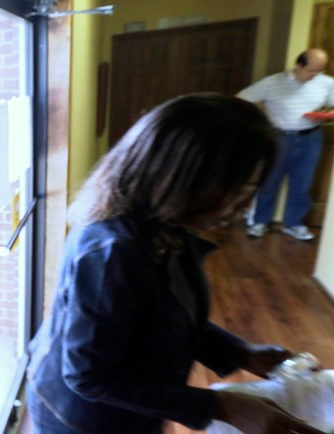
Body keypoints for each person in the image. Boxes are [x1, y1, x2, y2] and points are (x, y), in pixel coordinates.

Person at [25, 93, 326, 434]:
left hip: (126, 409)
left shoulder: (167, 225)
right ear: (182, 175)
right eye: (238, 189)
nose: (243, 206)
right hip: (83, 420)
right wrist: (221, 406)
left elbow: (161, 317)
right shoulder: (113, 252)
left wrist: (241, 353)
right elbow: (90, 376)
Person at [238, 48, 334, 241]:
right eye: (311, 70)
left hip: (311, 138)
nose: (316, 75)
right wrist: (260, 115)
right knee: (269, 182)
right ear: (299, 65)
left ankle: (294, 224)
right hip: (278, 137)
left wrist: (325, 114)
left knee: (302, 184)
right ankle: (259, 222)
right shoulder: (272, 82)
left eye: (320, 70)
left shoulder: (328, 83)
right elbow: (241, 98)